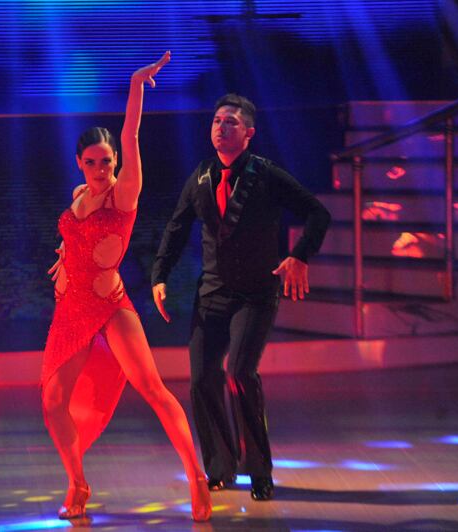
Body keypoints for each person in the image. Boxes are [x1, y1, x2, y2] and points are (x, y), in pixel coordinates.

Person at [41, 51, 212, 522]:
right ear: (79, 163)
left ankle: (196, 476)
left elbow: (132, 134)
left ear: (116, 160)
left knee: (153, 388)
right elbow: (77, 235)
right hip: (70, 309)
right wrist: (65, 255)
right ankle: (78, 483)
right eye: (92, 162)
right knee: (53, 403)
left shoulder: (123, 193)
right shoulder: (80, 195)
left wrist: (136, 87)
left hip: (110, 304)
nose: (101, 168)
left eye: (107, 160)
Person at [151, 94, 331, 501]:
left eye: (230, 122)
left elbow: (318, 212)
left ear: (249, 132)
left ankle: (260, 471)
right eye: (217, 120)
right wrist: (160, 275)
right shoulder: (201, 176)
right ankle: (220, 466)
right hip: (213, 292)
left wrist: (299, 255)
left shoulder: (265, 174)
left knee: (240, 373)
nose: (221, 127)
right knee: (202, 378)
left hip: (255, 293)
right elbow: (177, 228)